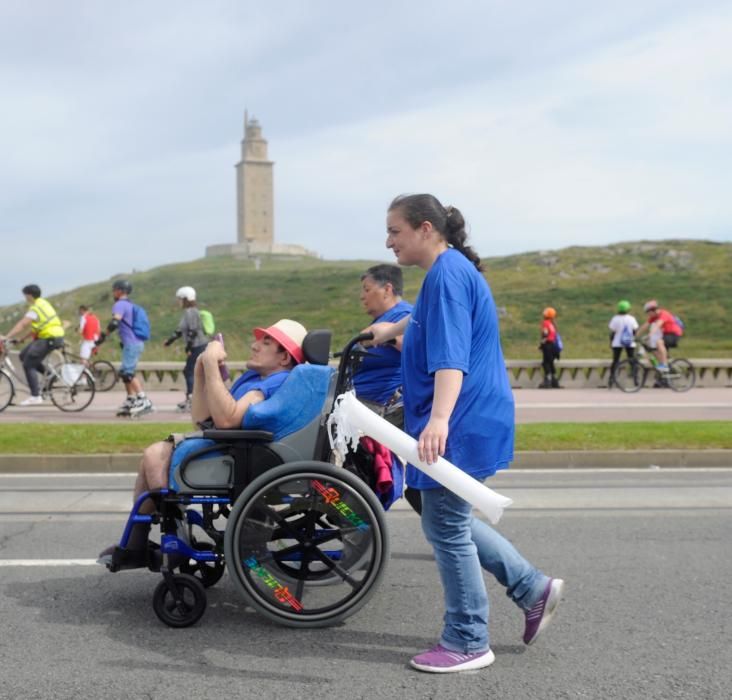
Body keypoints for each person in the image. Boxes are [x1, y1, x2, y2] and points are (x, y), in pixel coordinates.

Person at [367, 194, 564, 674]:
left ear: (426, 228)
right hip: (469, 415)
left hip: (461, 418)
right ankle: (530, 587)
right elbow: (432, 322)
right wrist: (392, 328)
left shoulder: (448, 276)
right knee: (446, 521)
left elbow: (451, 356)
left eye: (395, 231)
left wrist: (438, 420)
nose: (388, 241)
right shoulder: (447, 272)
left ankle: (469, 639)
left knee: (447, 526)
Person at [97, 318, 307, 567]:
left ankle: (159, 541)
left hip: (240, 456)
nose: (254, 345)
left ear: (284, 357)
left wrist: (210, 363)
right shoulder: (255, 378)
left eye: (266, 342)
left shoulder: (276, 381)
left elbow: (227, 419)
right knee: (152, 457)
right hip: (234, 449)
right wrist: (201, 372)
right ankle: (138, 545)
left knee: (155, 455)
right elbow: (202, 420)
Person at [96, 280, 154, 417]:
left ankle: (143, 399)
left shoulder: (120, 304)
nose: (113, 292)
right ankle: (131, 399)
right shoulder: (129, 304)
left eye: (114, 290)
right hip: (133, 343)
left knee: (128, 372)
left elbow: (115, 322)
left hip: (132, 343)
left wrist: (104, 335)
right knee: (125, 372)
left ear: (120, 291)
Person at [0, 284, 65, 405]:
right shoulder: (44, 304)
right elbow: (38, 327)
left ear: (29, 295)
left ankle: (35, 395)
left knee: (29, 364)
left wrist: (6, 337)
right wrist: (21, 339)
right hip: (52, 336)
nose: (25, 297)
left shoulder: (35, 308)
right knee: (23, 355)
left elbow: (23, 324)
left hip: (49, 338)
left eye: (25, 295)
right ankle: (51, 376)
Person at [163, 286, 210, 412]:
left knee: (189, 371)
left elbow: (193, 331)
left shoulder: (191, 312)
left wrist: (188, 348)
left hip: (198, 346)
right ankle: (192, 398)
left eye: (180, 299)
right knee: (190, 371)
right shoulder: (189, 312)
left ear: (186, 299)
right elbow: (180, 330)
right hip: (196, 345)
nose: (178, 302)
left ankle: (192, 399)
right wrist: (169, 341)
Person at [636, 300, 683, 370]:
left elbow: (658, 325)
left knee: (659, 342)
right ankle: (665, 370)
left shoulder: (664, 314)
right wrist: (635, 335)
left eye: (648, 313)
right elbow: (645, 326)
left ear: (653, 310)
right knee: (651, 348)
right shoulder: (654, 317)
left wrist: (649, 335)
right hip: (666, 335)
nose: (648, 315)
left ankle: (664, 365)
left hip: (674, 334)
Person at [608, 300, 639, 386]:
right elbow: (635, 330)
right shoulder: (631, 319)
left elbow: (612, 332)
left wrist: (611, 342)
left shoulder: (615, 319)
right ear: (628, 309)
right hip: (629, 342)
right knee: (632, 360)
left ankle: (611, 379)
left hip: (617, 342)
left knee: (615, 361)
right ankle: (636, 379)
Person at [539, 307, 561, 388]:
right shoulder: (552, 324)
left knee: (546, 363)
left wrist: (541, 344)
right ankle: (555, 381)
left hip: (547, 345)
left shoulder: (545, 323)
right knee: (551, 363)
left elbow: (545, 334)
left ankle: (548, 380)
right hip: (553, 345)